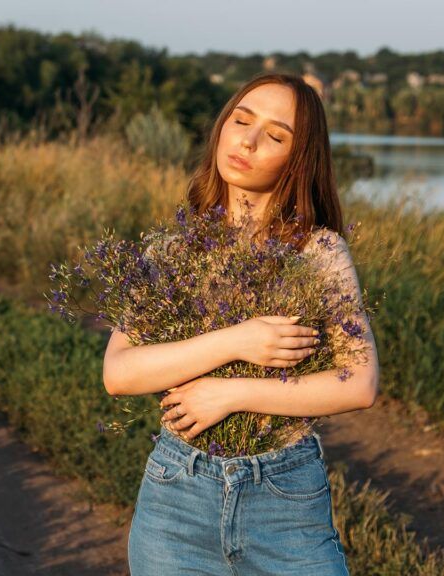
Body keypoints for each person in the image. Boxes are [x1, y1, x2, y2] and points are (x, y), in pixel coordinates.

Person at [102, 72, 380, 575]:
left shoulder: (318, 253)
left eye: (275, 135)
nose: (248, 141)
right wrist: (239, 340)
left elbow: (359, 384)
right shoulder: (172, 251)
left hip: (285, 498)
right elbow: (119, 374)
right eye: (241, 121)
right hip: (176, 499)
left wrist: (229, 394)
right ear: (221, 128)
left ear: (300, 159)